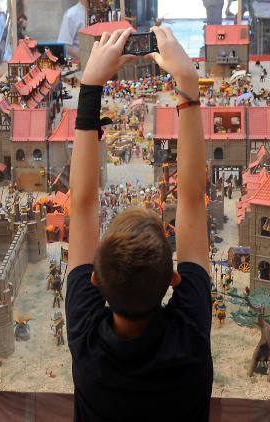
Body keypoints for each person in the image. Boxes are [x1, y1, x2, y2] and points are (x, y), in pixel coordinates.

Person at [66, 27, 212, 421]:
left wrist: (90, 85)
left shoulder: (87, 343)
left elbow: (80, 204)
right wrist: (187, 83)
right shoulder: (189, 343)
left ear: (96, 280)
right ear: (173, 280)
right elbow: (195, 202)